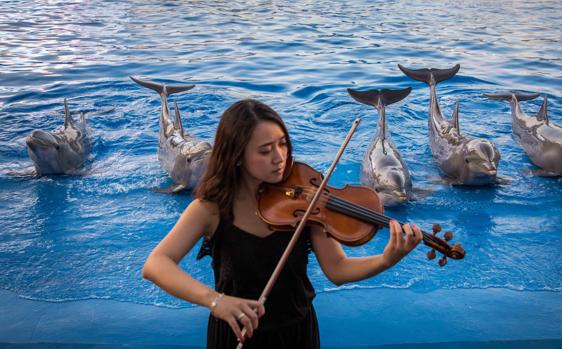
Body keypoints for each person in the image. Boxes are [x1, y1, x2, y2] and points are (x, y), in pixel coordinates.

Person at [142, 99, 423, 348]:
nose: (280, 157)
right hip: (235, 334)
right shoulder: (211, 210)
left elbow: (338, 269)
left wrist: (387, 259)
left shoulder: (308, 202)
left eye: (283, 143)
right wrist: (216, 301)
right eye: (265, 151)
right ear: (237, 156)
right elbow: (156, 264)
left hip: (297, 333)